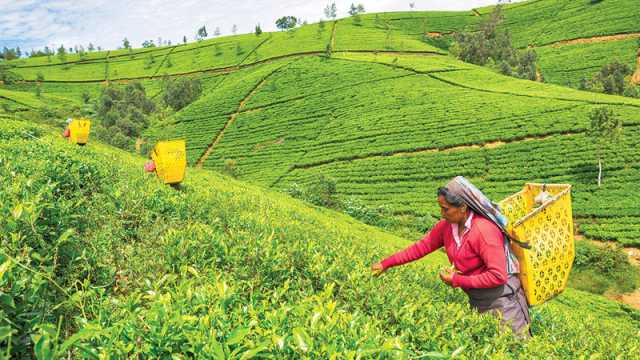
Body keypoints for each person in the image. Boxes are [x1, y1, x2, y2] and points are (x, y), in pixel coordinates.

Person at [371, 176, 531, 337]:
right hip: (477, 300)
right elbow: (420, 247)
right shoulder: (447, 227)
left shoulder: (484, 231)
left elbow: (498, 276)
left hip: (504, 302)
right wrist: (386, 264)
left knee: (515, 346)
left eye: (445, 209)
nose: (442, 214)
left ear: (462, 207)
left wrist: (456, 280)